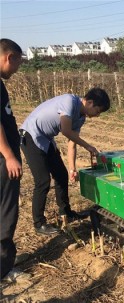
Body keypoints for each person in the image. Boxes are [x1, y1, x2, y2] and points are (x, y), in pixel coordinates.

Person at [20, 87, 110, 235]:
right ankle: (39, 223)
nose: (98, 115)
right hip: (30, 135)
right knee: (42, 180)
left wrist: (72, 168)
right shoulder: (69, 101)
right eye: (98, 111)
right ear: (90, 102)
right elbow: (65, 130)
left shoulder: (81, 118)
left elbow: (71, 143)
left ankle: (66, 212)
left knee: (61, 175)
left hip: (46, 139)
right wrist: (88, 146)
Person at [0, 39, 23, 280]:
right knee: (6, 209)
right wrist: (9, 155)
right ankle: (4, 268)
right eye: (18, 63)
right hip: (2, 158)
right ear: (9, 57)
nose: (17, 70)